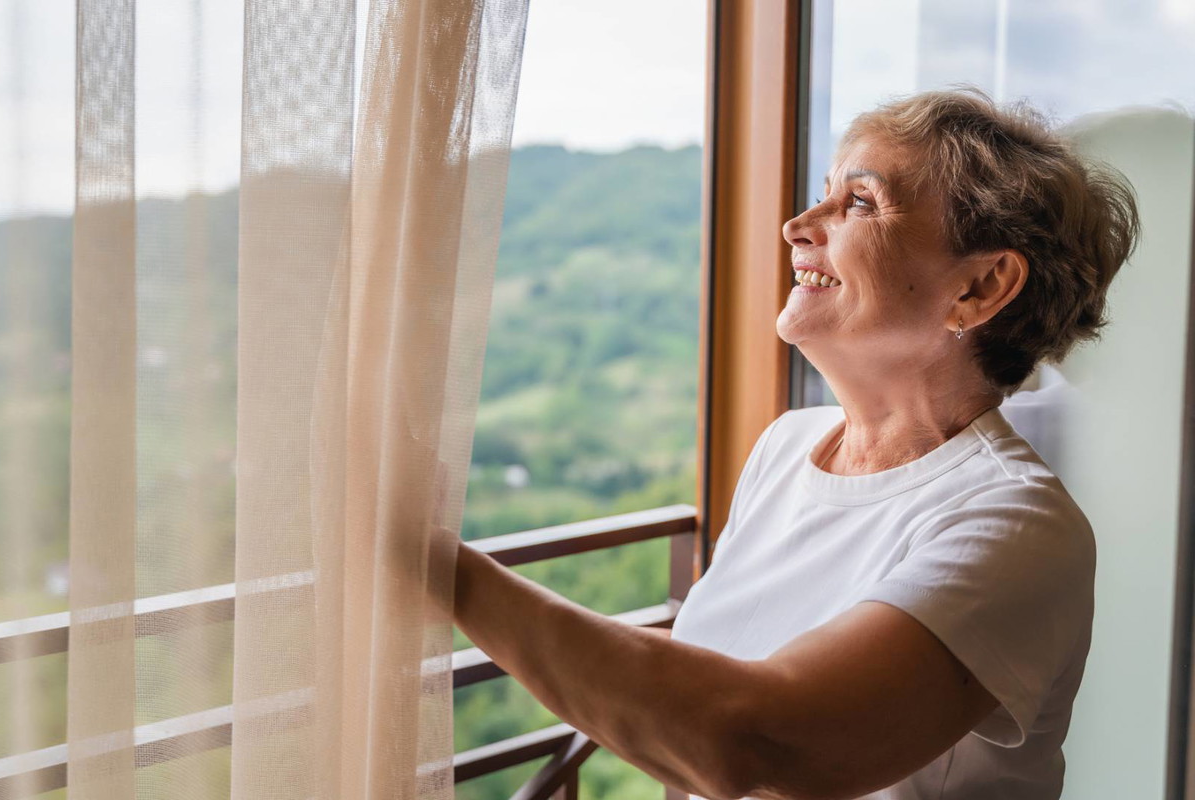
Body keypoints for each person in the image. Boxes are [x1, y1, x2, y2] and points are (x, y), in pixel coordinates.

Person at [448, 87, 1140, 799]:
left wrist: (437, 569)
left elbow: (754, 739)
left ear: (982, 286)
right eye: (824, 194)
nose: (797, 226)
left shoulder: (1019, 527)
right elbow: (705, 686)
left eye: (861, 204)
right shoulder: (787, 447)